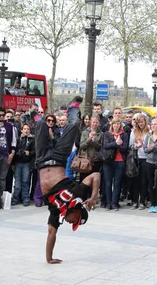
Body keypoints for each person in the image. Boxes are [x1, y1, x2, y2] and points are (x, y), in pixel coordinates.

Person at [34, 96, 100, 264]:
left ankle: (34, 114)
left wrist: (49, 259)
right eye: (75, 222)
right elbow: (95, 175)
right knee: (72, 127)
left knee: (41, 124)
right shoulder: (79, 195)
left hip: (42, 160)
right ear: (78, 213)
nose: (71, 223)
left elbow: (51, 234)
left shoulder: (57, 213)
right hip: (58, 158)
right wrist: (93, 197)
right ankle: (73, 107)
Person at [101, 117, 127, 211]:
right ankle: (108, 203)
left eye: (118, 124)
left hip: (120, 161)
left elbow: (125, 148)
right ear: (112, 125)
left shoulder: (124, 135)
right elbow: (105, 146)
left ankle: (114, 202)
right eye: (115, 124)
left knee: (117, 183)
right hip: (108, 161)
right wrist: (116, 143)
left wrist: (119, 145)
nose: (116, 125)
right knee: (108, 183)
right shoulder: (107, 134)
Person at [128, 113, 149, 210]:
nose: (141, 124)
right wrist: (135, 146)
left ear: (145, 122)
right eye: (139, 122)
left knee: (143, 181)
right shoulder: (133, 132)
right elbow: (130, 145)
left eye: (142, 122)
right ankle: (135, 201)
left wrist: (143, 144)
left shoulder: (149, 132)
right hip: (136, 158)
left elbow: (151, 145)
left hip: (146, 158)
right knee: (135, 181)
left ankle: (143, 201)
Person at [13, 124, 35, 206]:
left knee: (25, 181)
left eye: (28, 129)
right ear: (21, 130)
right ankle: (16, 197)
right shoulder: (18, 139)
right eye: (24, 129)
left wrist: (30, 153)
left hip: (27, 162)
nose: (26, 130)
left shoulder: (32, 140)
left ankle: (25, 197)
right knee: (17, 181)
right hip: (18, 162)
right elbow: (14, 150)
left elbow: (34, 151)